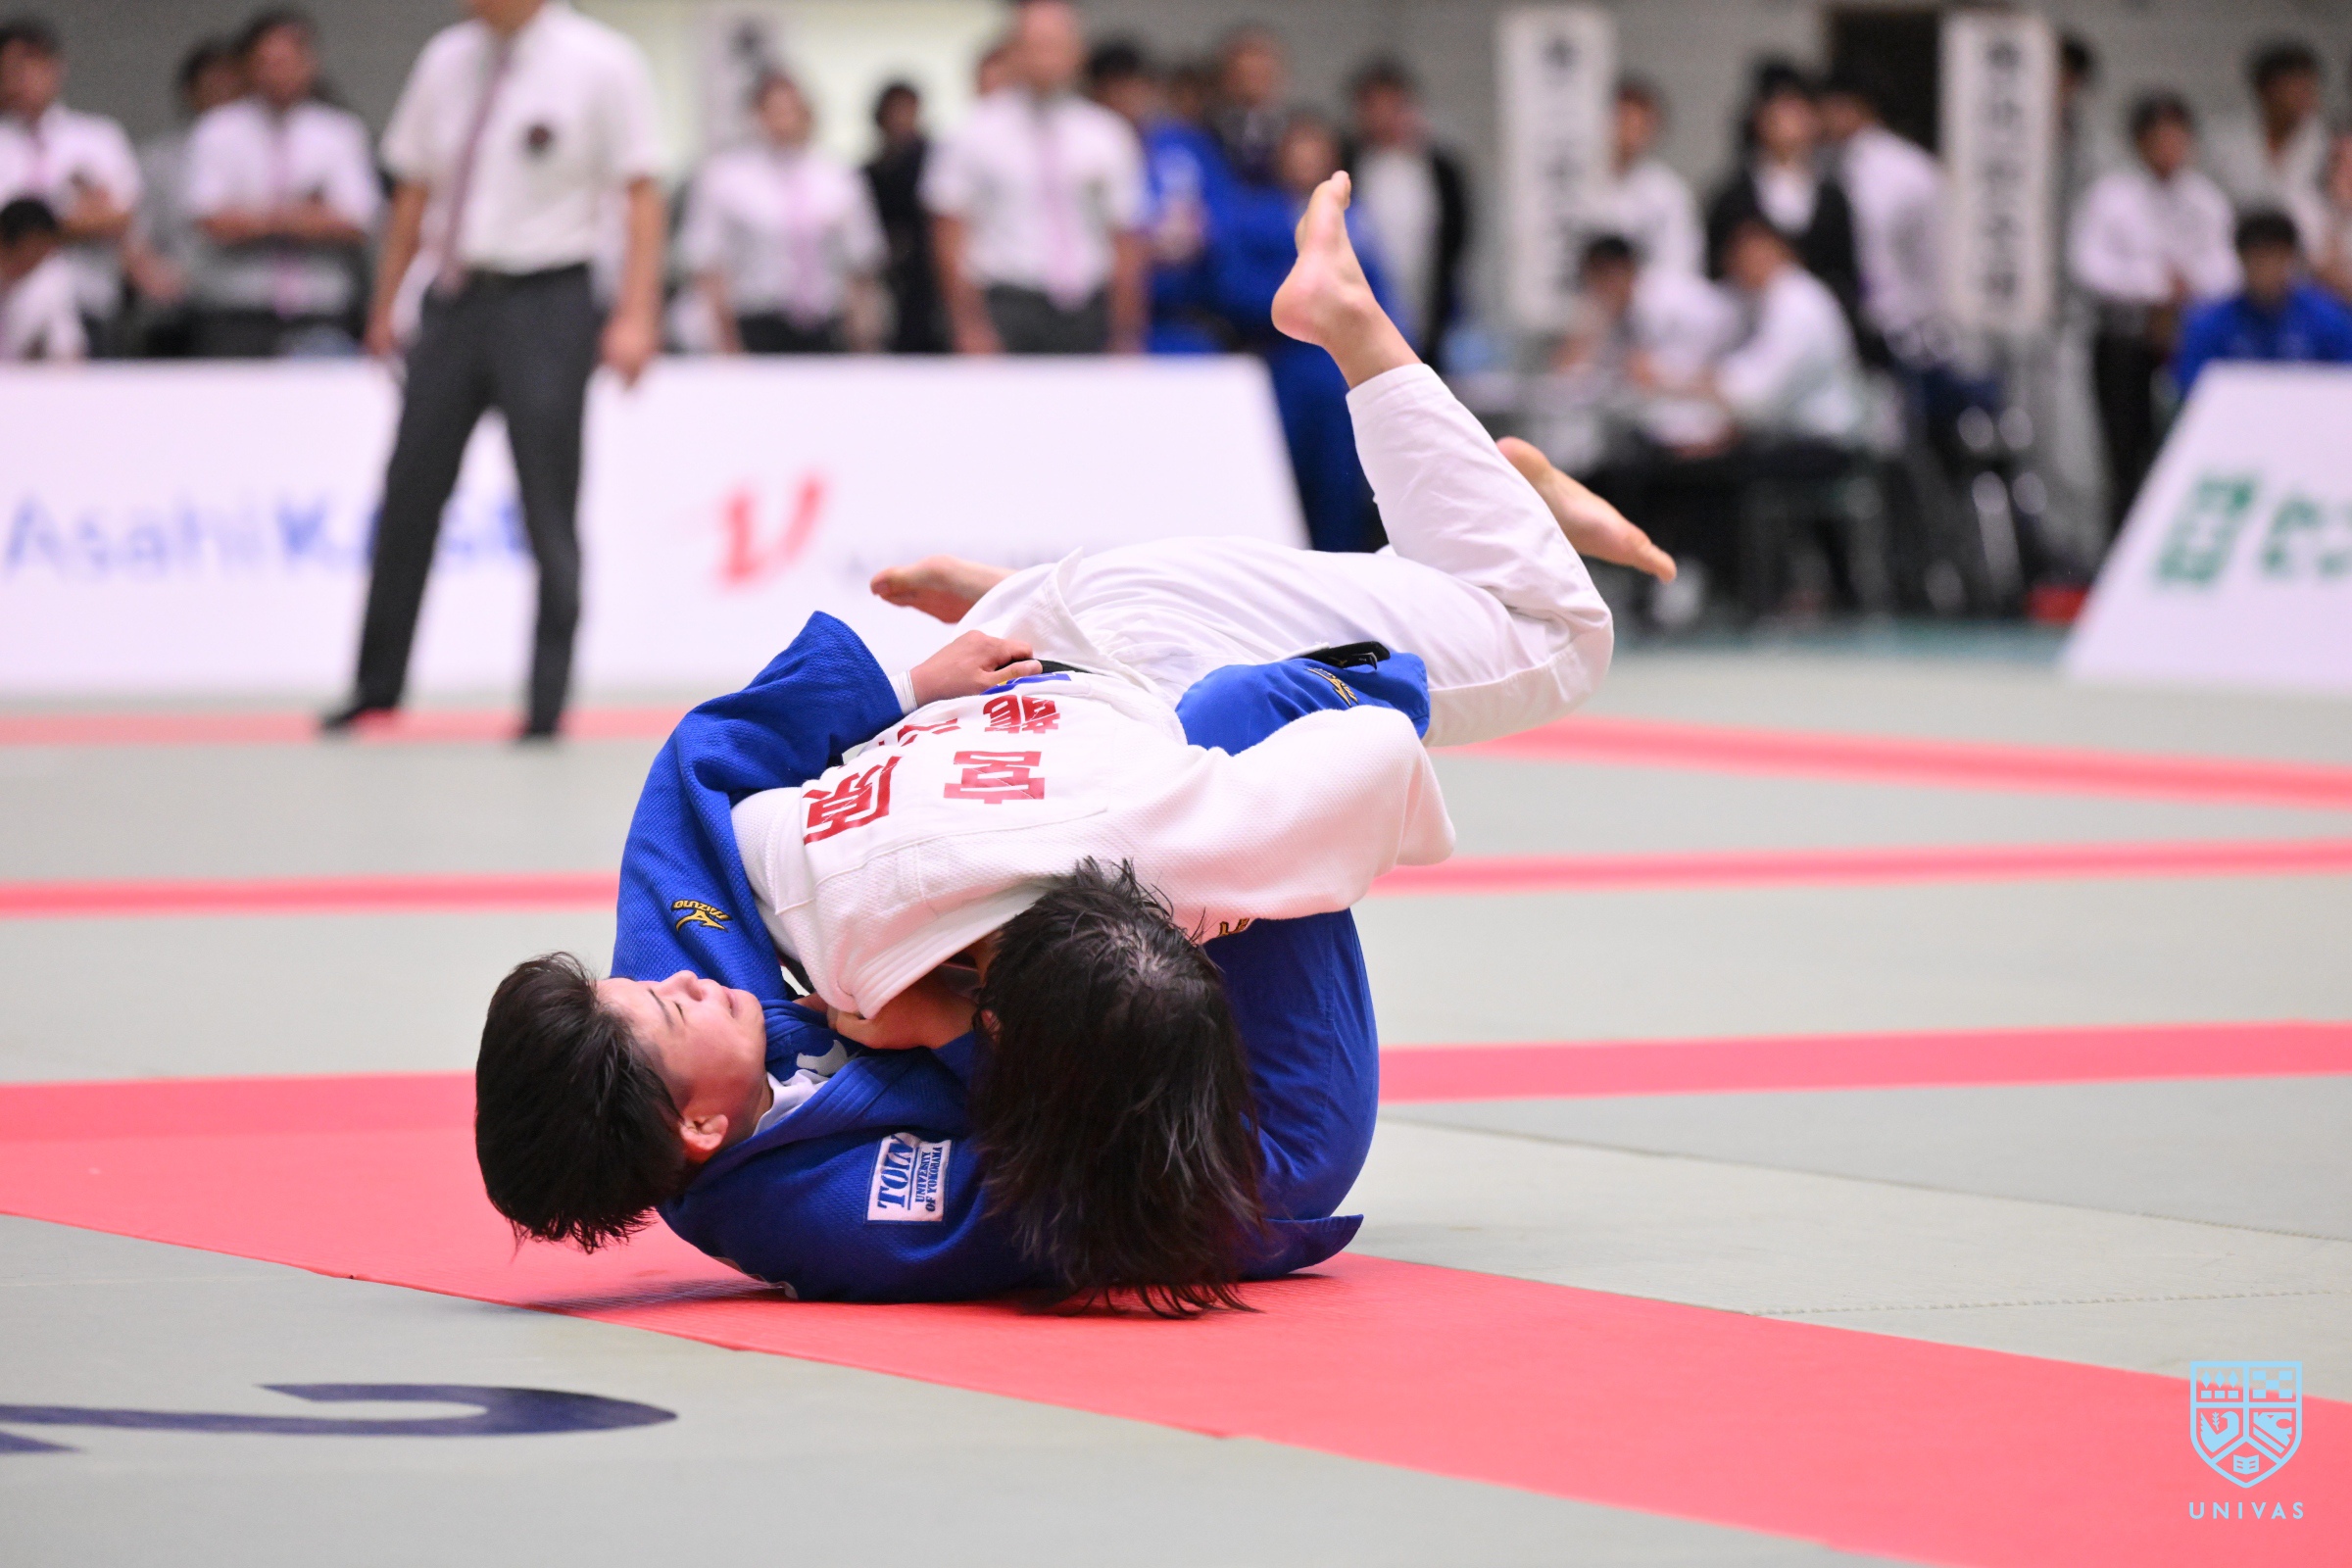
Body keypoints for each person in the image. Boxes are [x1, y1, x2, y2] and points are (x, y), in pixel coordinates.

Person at [474, 172, 1667, 1307]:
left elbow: (698, 760)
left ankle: (1439, 525)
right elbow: (1083, 1190)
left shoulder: (668, 992)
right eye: (669, 1010)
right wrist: (959, 1028)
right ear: (697, 1125)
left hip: (1093, 877)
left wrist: (909, 683)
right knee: (1386, 677)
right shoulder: (814, 1211)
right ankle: (1460, 528)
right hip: (1241, 1124)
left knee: (1193, 678)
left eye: (648, 983)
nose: (678, 976)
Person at [322, 0, 664, 742]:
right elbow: (414, 190)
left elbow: (640, 193)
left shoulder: (601, 61)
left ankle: (546, 702)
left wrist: (636, 314)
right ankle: (376, 686)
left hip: (550, 297)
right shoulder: (447, 59)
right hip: (454, 299)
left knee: (548, 502)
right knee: (409, 490)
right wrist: (386, 303)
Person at [1213, 113, 1395, 553]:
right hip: (1281, 362)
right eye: (1299, 150)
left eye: (1317, 151)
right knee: (1278, 478)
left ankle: (1341, 569)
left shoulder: (1355, 222)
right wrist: (1303, 293)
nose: (1307, 161)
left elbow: (1381, 296)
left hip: (1338, 372)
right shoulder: (1251, 215)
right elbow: (1233, 288)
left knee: (1341, 484)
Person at [924, 0, 1146, 355]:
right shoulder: (971, 134)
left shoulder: (1107, 135)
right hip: (1007, 306)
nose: (1046, 59)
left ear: (1077, 52)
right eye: (1035, 46)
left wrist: (1127, 332)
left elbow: (1125, 238)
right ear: (1013, 51)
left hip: (1087, 309)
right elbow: (949, 236)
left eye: (1055, 45)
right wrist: (968, 325)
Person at [2070, 93, 2238, 534]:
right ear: (2139, 142)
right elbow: (2088, 265)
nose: (2168, 148)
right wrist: (2156, 284)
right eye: (2158, 138)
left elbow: (2226, 268)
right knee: (2125, 451)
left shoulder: (2205, 199)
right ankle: (2122, 543)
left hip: (2189, 340)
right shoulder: (2110, 195)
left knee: (2189, 445)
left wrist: (2190, 285)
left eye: (2176, 138)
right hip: (2125, 338)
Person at [183, 9, 379, 357]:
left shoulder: (340, 133)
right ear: (247, 67)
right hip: (236, 309)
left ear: (310, 63)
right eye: (267, 63)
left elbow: (357, 221)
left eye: (287, 62)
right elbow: (211, 221)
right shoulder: (216, 131)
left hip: (320, 307)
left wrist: (254, 217)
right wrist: (305, 213)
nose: (278, 73)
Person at [679, 72, 883, 356]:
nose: (783, 121)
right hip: (755, 323)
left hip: (825, 326)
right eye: (774, 111)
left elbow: (859, 263)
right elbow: (707, 263)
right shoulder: (724, 178)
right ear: (755, 115)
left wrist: (864, 342)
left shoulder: (837, 176)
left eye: (791, 110)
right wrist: (725, 344)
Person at [0, 16, 138, 352]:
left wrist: (31, 231)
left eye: (29, 67)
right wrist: (76, 216)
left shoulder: (98, 138)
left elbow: (120, 218)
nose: (20, 80)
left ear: (55, 67)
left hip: (89, 303)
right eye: (10, 71)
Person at [1088, 39, 1226, 354]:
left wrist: (1192, 235)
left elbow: (1222, 220)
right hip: (1100, 317)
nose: (1127, 98)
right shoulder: (1085, 153)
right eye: (1115, 89)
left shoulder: (1185, 146)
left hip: (1186, 311)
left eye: (1135, 86)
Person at [1705, 63, 1861, 338]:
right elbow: (1713, 268)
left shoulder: (1832, 197)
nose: (1788, 124)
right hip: (1744, 324)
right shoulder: (1733, 196)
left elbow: (1845, 273)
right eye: (1777, 114)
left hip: (1813, 326)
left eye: (1797, 113)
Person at [1346, 56, 1470, 363]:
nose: (1384, 118)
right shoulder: (1347, 163)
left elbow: (1457, 236)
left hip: (1427, 299)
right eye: (1374, 108)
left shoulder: (1441, 168)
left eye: (1393, 106)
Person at [129, 37, 243, 357]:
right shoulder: (157, 159)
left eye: (231, 87)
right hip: (173, 307)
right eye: (211, 86)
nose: (221, 96)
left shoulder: (262, 152)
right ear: (189, 92)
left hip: (236, 302)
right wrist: (152, 275)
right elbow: (135, 233)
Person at [1820, 68, 1942, 361]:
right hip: (1858, 318)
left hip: (1901, 320)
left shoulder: (1904, 169)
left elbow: (1929, 253)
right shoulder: (1828, 161)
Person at [2173, 209, 2352, 394]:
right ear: (2241, 258)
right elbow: (2189, 383)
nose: (2267, 269)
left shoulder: (2327, 319)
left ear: (2291, 258)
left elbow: (2346, 374)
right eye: (2258, 259)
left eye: (2275, 257)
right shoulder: (2208, 324)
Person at [2209, 41, 2328, 248]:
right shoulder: (2225, 142)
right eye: (2295, 88)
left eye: (2308, 88)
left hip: (2310, 254)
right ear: (2265, 90)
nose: (2304, 97)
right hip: (2238, 249)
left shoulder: (2327, 143)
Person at [1582, 76, 1702, 277]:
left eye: (1638, 124)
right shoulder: (1577, 182)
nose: (1629, 132)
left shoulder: (1667, 191)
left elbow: (1680, 262)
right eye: (1623, 119)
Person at [863, 80, 944, 354]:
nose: (901, 118)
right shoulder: (872, 172)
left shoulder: (935, 161)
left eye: (907, 110)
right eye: (894, 111)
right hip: (890, 273)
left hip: (928, 274)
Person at [0, 192, 78, 358]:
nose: (38, 259)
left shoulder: (49, 285)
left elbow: (68, 350)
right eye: (34, 249)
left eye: (45, 252)